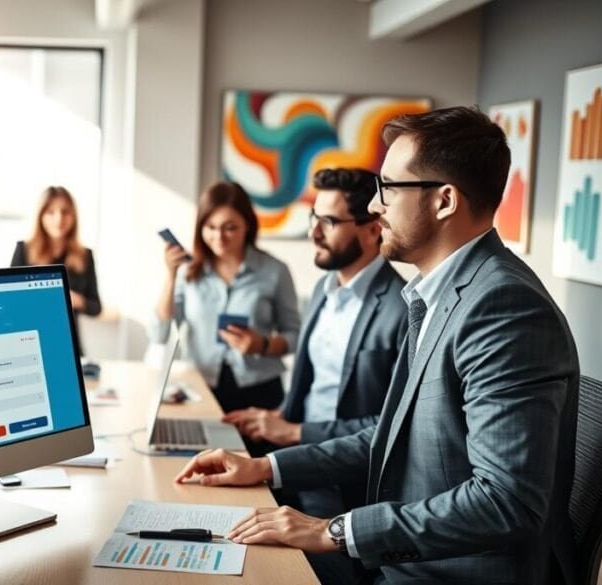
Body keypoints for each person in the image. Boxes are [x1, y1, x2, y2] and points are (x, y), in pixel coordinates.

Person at [174, 107, 579, 585]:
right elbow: (389, 436)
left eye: (389, 188)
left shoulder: (504, 307)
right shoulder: (439, 293)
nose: (374, 206)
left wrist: (333, 530)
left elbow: (505, 501)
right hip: (405, 557)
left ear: (444, 201)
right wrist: (266, 466)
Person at [223, 168, 407, 515]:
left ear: (373, 230)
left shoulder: (402, 309)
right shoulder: (324, 289)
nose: (313, 232)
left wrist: (294, 432)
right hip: (297, 469)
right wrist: (275, 417)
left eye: (329, 222)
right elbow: (315, 385)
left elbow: (393, 426)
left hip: (347, 488)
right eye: (313, 217)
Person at [152, 181, 301, 415]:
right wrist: (171, 276)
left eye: (230, 227)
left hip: (260, 393)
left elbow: (295, 336)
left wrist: (262, 345)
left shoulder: (275, 271)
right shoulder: (188, 271)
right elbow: (159, 333)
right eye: (210, 227)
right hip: (201, 389)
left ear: (247, 225)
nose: (218, 236)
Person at [10, 186, 101, 357]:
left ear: (73, 216)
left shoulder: (85, 255)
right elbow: (10, 302)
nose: (59, 219)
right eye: (51, 212)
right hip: (29, 343)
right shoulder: (24, 250)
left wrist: (77, 300)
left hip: (70, 344)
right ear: (41, 216)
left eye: (65, 212)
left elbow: (96, 307)